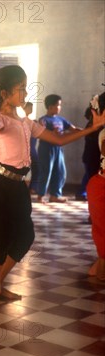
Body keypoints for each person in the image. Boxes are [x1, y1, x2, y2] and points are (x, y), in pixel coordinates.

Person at [0, 65, 105, 302]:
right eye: (21, 89)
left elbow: (58, 139)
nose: (25, 94)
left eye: (26, 88)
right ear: (4, 93)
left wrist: (93, 128)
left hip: (17, 185)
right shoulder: (1, 119)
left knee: (25, 235)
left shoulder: (26, 121)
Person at [36, 94, 80, 203]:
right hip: (46, 148)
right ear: (50, 106)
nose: (59, 107)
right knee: (45, 172)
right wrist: (52, 133)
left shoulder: (61, 119)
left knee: (60, 171)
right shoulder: (43, 120)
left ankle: (55, 195)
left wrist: (88, 130)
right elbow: (41, 132)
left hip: (58, 149)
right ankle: (40, 195)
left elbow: (73, 129)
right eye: (58, 105)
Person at [87, 91, 105, 279]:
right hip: (100, 185)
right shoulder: (103, 133)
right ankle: (100, 269)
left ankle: (99, 267)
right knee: (102, 228)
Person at [77, 95, 103, 202]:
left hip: (91, 159)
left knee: (90, 178)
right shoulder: (94, 126)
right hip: (92, 158)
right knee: (92, 179)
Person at [23, 102, 40, 194]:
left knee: (36, 167)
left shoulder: (35, 122)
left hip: (32, 148)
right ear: (24, 109)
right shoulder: (20, 120)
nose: (30, 110)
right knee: (23, 168)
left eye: (31, 108)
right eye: (29, 108)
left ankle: (33, 187)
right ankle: (20, 187)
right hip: (24, 148)